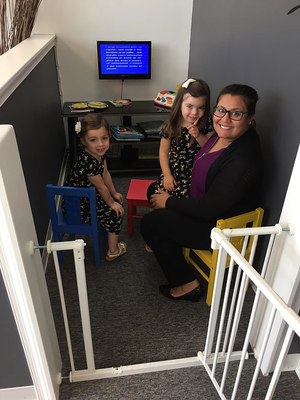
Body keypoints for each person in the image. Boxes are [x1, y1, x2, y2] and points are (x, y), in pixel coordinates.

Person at [141, 83, 263, 302]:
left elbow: (209, 208)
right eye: (221, 110)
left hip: (217, 227)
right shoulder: (222, 134)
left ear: (249, 117)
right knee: (154, 192)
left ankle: (186, 284)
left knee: (150, 223)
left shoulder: (242, 158)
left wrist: (168, 202)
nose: (225, 119)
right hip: (202, 204)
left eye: (236, 113)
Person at [64, 113, 127, 261]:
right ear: (83, 141)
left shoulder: (100, 154)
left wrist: (114, 192)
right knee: (116, 213)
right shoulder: (87, 161)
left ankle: (108, 233)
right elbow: (101, 188)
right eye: (93, 140)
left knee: (116, 203)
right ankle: (113, 250)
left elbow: (105, 174)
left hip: (89, 195)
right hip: (78, 207)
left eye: (104, 138)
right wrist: (111, 203)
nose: (100, 144)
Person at [147, 78, 213, 201]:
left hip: (195, 176)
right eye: (189, 106)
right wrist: (167, 175)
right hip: (174, 173)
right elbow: (163, 152)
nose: (194, 112)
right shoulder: (171, 126)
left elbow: (211, 148)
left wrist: (198, 136)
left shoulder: (206, 124)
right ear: (179, 104)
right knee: (156, 195)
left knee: (181, 199)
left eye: (201, 108)